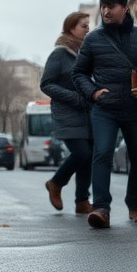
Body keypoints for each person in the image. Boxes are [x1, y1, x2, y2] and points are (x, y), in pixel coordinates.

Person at [71, 0, 137, 229]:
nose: (105, 11)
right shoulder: (93, 39)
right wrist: (93, 92)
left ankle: (135, 206)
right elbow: (79, 72)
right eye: (103, 6)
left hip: (136, 109)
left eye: (111, 7)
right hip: (105, 109)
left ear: (124, 8)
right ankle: (101, 208)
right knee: (102, 153)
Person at [41, 11, 94, 215]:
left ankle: (82, 200)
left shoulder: (86, 53)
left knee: (87, 157)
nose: (88, 28)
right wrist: (75, 98)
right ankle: (55, 183)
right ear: (71, 28)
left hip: (88, 115)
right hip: (68, 114)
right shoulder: (60, 54)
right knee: (82, 152)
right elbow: (46, 84)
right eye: (83, 25)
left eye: (88, 25)